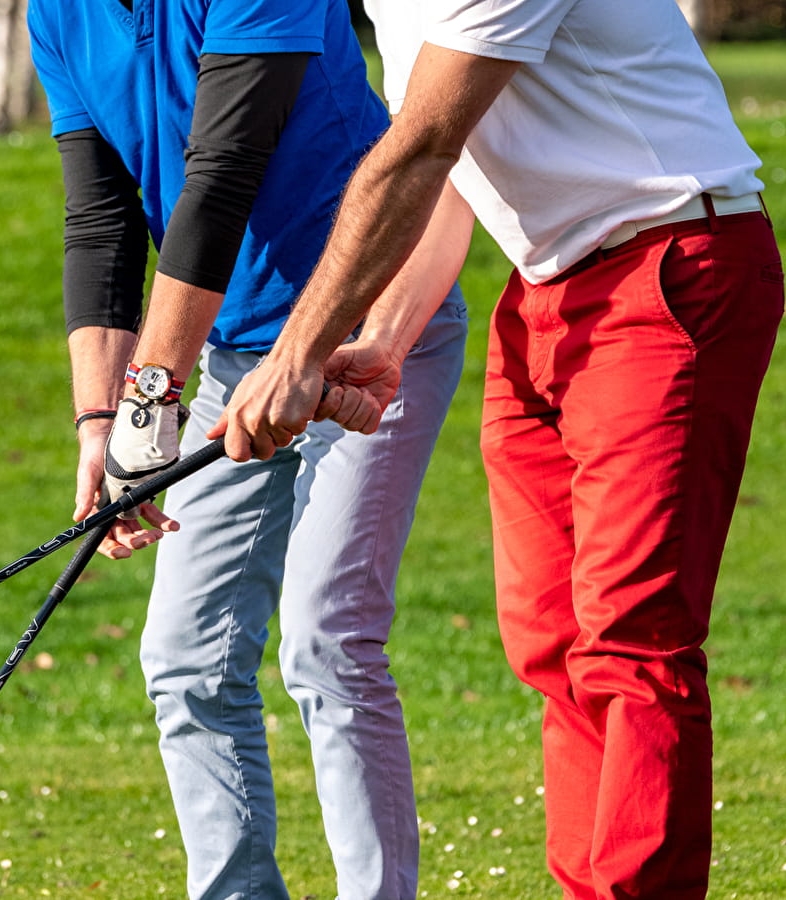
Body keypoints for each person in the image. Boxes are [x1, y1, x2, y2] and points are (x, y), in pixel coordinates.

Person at [213, 2, 786, 898]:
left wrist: (293, 356)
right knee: (550, 640)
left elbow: (419, 150)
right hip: (549, 287)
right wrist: (387, 338)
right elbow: (452, 173)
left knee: (633, 639)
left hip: (670, 262)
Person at [26, 1, 470, 897]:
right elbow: (101, 220)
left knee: (327, 639)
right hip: (227, 353)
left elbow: (222, 171)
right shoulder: (56, 11)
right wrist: (100, 423)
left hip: (370, 334)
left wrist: (150, 400)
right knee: (185, 656)